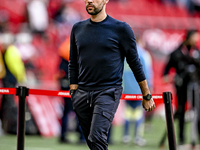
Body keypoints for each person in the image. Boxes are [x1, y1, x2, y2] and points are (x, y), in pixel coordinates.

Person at [68, 0, 155, 150]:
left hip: (108, 91)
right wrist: (74, 91)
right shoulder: (77, 28)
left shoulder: (121, 29)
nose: (89, 1)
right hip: (82, 93)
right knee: (92, 141)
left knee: (96, 136)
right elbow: (73, 62)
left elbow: (135, 63)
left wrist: (146, 95)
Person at [163, 30, 200, 148]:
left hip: (194, 87)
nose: (195, 40)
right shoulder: (177, 53)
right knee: (181, 112)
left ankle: (196, 137)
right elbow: (166, 70)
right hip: (181, 87)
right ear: (188, 38)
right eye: (194, 37)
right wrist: (168, 76)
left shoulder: (196, 52)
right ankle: (181, 138)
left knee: (197, 112)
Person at [122, 34, 153, 146]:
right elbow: (148, 73)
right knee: (139, 114)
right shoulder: (144, 54)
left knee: (127, 114)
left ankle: (125, 136)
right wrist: (149, 88)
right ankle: (137, 137)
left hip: (126, 89)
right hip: (139, 90)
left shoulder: (125, 54)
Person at [0, 33, 26, 133]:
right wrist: (21, 78)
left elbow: (15, 67)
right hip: (10, 80)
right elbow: (16, 67)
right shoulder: (11, 51)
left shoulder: (9, 51)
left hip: (9, 80)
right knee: (8, 103)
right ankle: (9, 127)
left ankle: (8, 127)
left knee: (8, 103)